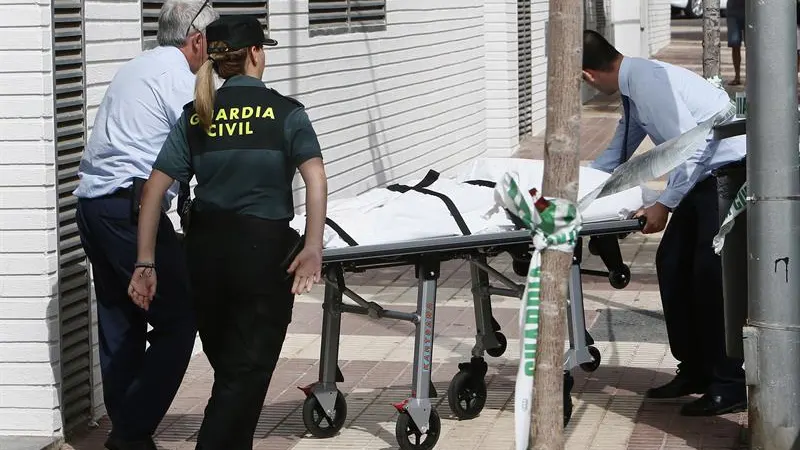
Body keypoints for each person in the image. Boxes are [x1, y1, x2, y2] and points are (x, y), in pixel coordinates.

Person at [127, 15, 328, 449]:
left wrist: (146, 260)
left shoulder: (196, 114)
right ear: (256, 53)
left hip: (204, 255)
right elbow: (315, 177)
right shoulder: (286, 113)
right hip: (261, 256)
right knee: (244, 376)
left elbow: (153, 191)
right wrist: (313, 245)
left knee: (234, 373)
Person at [72, 0, 219, 448]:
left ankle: (130, 435)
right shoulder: (178, 76)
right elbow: (205, 140)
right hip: (131, 210)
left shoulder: (133, 67)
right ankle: (131, 432)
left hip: (93, 206)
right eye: (212, 49)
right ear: (196, 40)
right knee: (179, 319)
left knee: (121, 323)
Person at [581, 29, 747, 416]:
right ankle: (695, 369)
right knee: (671, 263)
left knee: (711, 277)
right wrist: (580, 191)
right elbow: (617, 153)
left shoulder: (647, 83)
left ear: (588, 75)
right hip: (701, 177)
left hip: (724, 174)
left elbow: (689, 150)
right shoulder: (634, 83)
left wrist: (664, 205)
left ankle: (730, 382)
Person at [726, 0, 746, 86]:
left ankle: (751, 76)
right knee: (735, 44)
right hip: (733, 10)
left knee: (752, 46)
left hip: (750, 9)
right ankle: (737, 76)